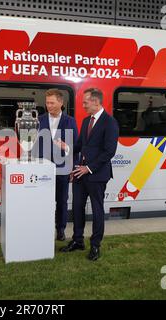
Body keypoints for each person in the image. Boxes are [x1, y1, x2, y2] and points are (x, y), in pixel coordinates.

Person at [60, 88, 119, 261]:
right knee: (77, 208)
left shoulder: (110, 122)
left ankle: (95, 246)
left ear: (95, 101)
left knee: (97, 210)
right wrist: (67, 147)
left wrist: (89, 168)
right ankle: (78, 241)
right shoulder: (86, 121)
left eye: (85, 102)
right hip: (81, 173)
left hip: (97, 175)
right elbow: (81, 145)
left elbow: (109, 151)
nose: (83, 105)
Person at [35, 89, 78, 241]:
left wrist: (74, 167)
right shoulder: (38, 120)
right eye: (47, 103)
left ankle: (60, 229)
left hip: (63, 168)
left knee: (61, 201)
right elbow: (32, 144)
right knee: (42, 200)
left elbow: (75, 147)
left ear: (61, 102)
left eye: (52, 103)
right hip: (42, 168)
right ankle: (41, 227)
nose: (49, 106)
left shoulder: (70, 121)